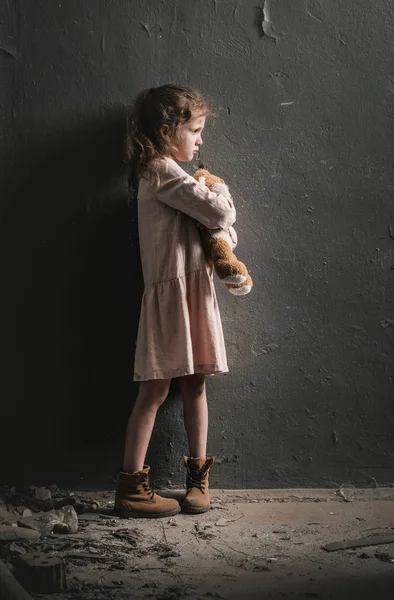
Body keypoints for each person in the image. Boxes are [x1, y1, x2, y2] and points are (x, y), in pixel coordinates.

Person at [114, 84, 236, 518]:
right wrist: (220, 192)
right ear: (167, 131)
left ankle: (197, 481)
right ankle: (131, 487)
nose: (201, 140)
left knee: (194, 383)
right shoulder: (162, 171)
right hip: (172, 294)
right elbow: (219, 214)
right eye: (196, 130)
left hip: (191, 290)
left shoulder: (168, 171)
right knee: (155, 389)